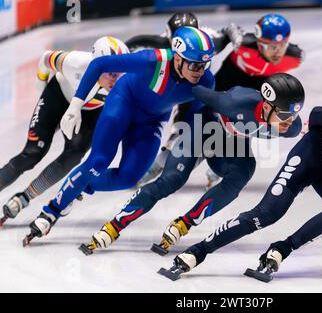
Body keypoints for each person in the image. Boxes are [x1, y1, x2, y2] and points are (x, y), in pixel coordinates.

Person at [159, 94, 322, 282]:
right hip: (311, 154)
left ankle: (282, 249)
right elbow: (317, 114)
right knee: (268, 213)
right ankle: (198, 252)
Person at [22, 26, 216, 246]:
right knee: (98, 161)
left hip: (151, 121)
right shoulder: (152, 60)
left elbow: (195, 114)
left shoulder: (206, 81)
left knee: (128, 178)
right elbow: (99, 64)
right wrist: (75, 105)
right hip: (123, 102)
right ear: (178, 59)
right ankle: (51, 212)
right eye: (195, 64)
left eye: (204, 65)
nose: (200, 71)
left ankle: (82, 186)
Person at [79, 73, 304, 255]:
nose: (289, 122)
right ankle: (115, 224)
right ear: (266, 107)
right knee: (171, 181)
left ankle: (185, 223)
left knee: (244, 172)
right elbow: (194, 90)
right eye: (284, 115)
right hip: (202, 131)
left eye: (294, 116)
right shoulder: (236, 102)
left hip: (229, 145)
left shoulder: (290, 128)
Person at [0, 36, 129, 226]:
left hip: (90, 111)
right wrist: (41, 81)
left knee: (73, 156)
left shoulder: (123, 78)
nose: (116, 79)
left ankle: (25, 197)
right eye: (111, 73)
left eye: (120, 73)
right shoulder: (75, 62)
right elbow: (46, 58)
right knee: (33, 152)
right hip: (57, 96)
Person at [128, 12, 244, 189]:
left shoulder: (210, 41)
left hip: (195, 91)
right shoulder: (160, 44)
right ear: (170, 39)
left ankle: (215, 165)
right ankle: (154, 168)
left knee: (188, 132)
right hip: (171, 89)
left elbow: (229, 30)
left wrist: (236, 36)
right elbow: (135, 44)